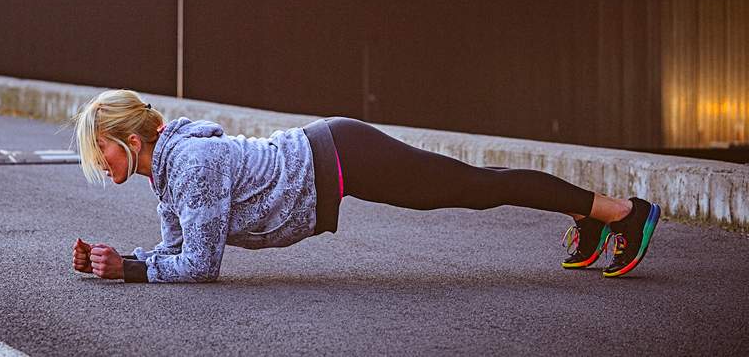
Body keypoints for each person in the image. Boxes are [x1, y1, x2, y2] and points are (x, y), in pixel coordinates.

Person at [71, 89, 661, 283]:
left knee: (476, 187)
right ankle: (594, 216)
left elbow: (198, 267)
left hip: (341, 156)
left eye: (100, 146)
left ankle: (622, 212)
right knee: (475, 187)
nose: (99, 160)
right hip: (331, 156)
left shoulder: (191, 163)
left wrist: (131, 271)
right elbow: (175, 251)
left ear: (128, 137)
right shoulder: (169, 170)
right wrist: (118, 260)